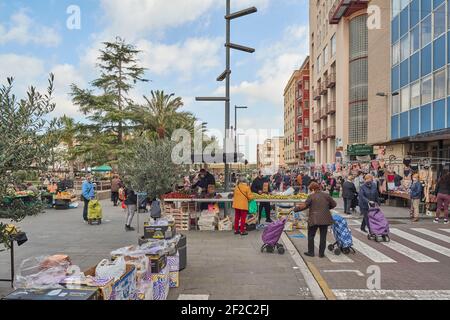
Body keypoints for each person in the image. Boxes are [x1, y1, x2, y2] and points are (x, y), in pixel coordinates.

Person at [294, 182, 336, 258]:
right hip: (325, 219)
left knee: (311, 235)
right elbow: (334, 204)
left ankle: (311, 252)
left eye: (310, 189)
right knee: (323, 236)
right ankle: (321, 254)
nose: (310, 191)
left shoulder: (311, 196)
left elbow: (305, 206)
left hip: (314, 219)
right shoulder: (326, 195)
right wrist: (326, 208)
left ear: (313, 189)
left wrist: (295, 209)